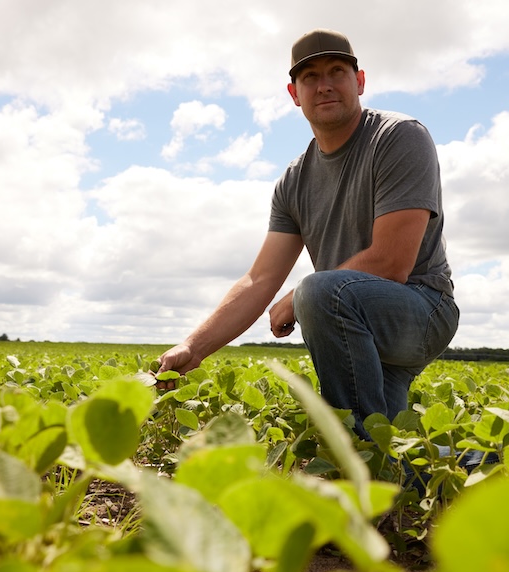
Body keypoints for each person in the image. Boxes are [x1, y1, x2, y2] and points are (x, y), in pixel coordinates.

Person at [157, 28, 458, 439]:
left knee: (318, 293)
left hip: (421, 308)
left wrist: (302, 297)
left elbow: (392, 261)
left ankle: (357, 451)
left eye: (337, 71)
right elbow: (259, 279)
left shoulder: (399, 136)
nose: (325, 85)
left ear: (360, 81)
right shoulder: (294, 182)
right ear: (294, 93)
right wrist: (193, 347)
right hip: (355, 319)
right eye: (310, 77)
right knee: (390, 448)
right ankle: (491, 465)